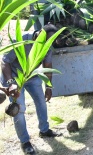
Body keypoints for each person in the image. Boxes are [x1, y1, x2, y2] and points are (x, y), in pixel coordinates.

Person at [1, 23, 62, 155]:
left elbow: (47, 65)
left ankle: (44, 130)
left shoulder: (46, 46)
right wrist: (11, 83)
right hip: (14, 77)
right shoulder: (21, 40)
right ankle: (25, 142)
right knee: (19, 109)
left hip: (32, 76)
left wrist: (49, 86)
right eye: (44, 40)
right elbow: (5, 61)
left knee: (41, 101)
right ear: (39, 34)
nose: (46, 44)